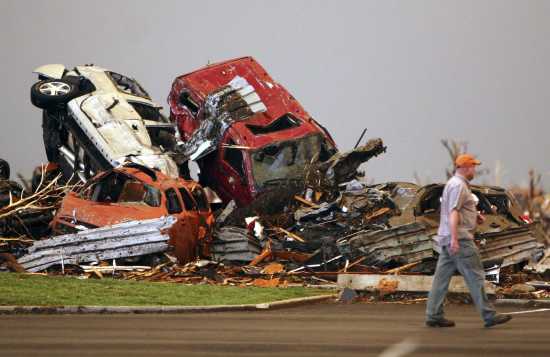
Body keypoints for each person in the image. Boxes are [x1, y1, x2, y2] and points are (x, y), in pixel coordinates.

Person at [426, 154, 512, 328]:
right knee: (476, 277)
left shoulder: (453, 184)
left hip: (446, 239)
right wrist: (456, 239)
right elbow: (453, 212)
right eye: (473, 167)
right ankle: (489, 315)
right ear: (465, 167)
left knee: (440, 280)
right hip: (460, 240)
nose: (475, 170)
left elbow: (457, 211)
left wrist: (474, 217)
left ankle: (433, 315)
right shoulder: (458, 186)